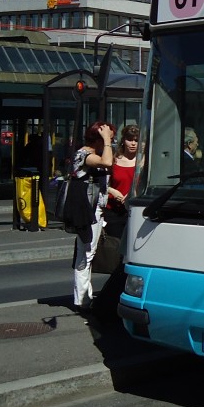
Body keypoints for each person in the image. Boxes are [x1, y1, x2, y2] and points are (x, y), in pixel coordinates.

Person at [94, 124, 138, 318]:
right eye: (130, 139)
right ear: (123, 140)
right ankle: (110, 299)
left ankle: (117, 296)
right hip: (115, 211)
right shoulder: (115, 160)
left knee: (129, 257)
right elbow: (105, 184)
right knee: (116, 254)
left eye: (136, 140)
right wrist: (115, 192)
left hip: (134, 212)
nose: (133, 144)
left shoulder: (143, 160)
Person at [70, 121, 114, 310]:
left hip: (96, 209)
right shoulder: (84, 154)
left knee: (90, 252)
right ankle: (82, 300)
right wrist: (106, 141)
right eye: (108, 138)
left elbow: (97, 183)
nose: (111, 142)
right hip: (87, 211)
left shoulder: (95, 154)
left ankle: (85, 296)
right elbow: (107, 162)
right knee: (85, 254)